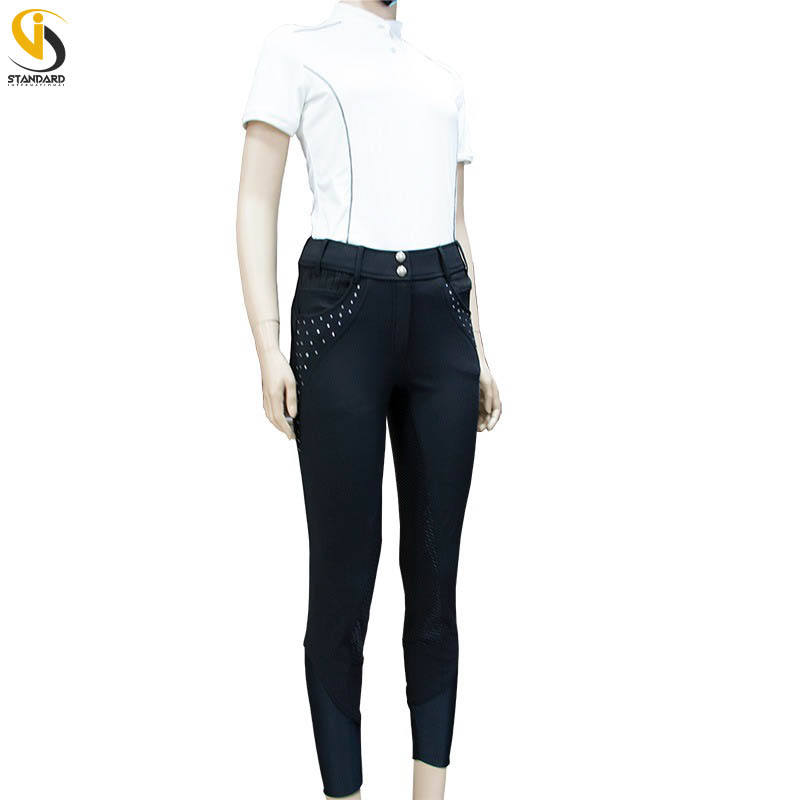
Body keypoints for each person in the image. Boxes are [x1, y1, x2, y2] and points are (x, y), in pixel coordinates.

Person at [236, 2, 501, 797]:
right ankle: (345, 789)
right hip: (340, 313)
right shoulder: (294, 50)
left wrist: (481, 347)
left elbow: (456, 222)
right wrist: (266, 347)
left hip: (442, 312)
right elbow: (255, 200)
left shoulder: (441, 80)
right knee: (344, 576)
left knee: (436, 577)